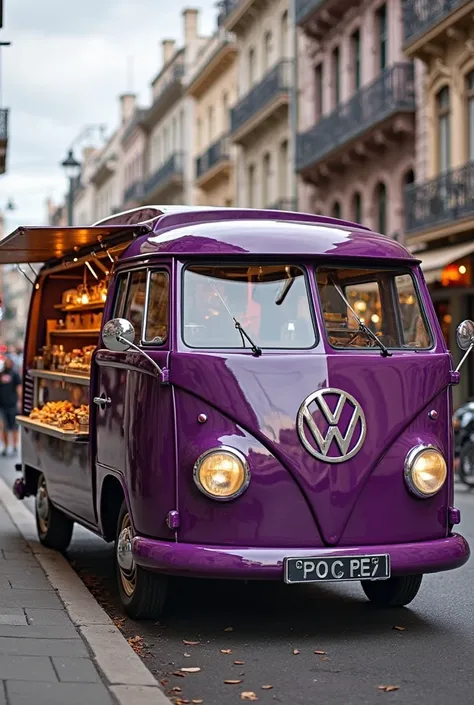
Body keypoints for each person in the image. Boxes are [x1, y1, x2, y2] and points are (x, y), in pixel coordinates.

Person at [0, 357, 21, 456]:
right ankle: (6, 446)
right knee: (3, 427)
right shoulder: (1, 374)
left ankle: (15, 447)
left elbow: (19, 388)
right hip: (2, 405)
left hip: (12, 404)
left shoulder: (15, 375)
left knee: (14, 427)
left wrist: (20, 401)